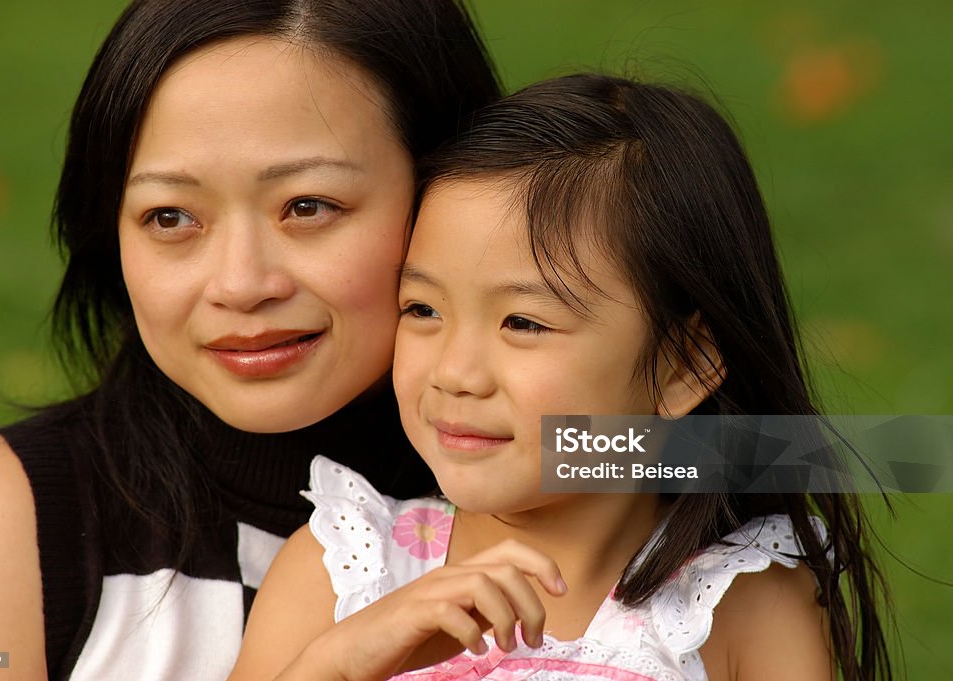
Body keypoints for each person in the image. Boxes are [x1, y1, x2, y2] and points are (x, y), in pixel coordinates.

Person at [229, 74, 893, 681]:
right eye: (422, 308)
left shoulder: (741, 606)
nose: (455, 373)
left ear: (684, 365)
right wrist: (338, 666)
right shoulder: (343, 572)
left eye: (522, 322)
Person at [0, 1, 500, 679]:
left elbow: (660, 451)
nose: (240, 283)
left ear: (453, 189)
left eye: (308, 206)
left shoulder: (583, 454)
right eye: (170, 216)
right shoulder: (3, 521)